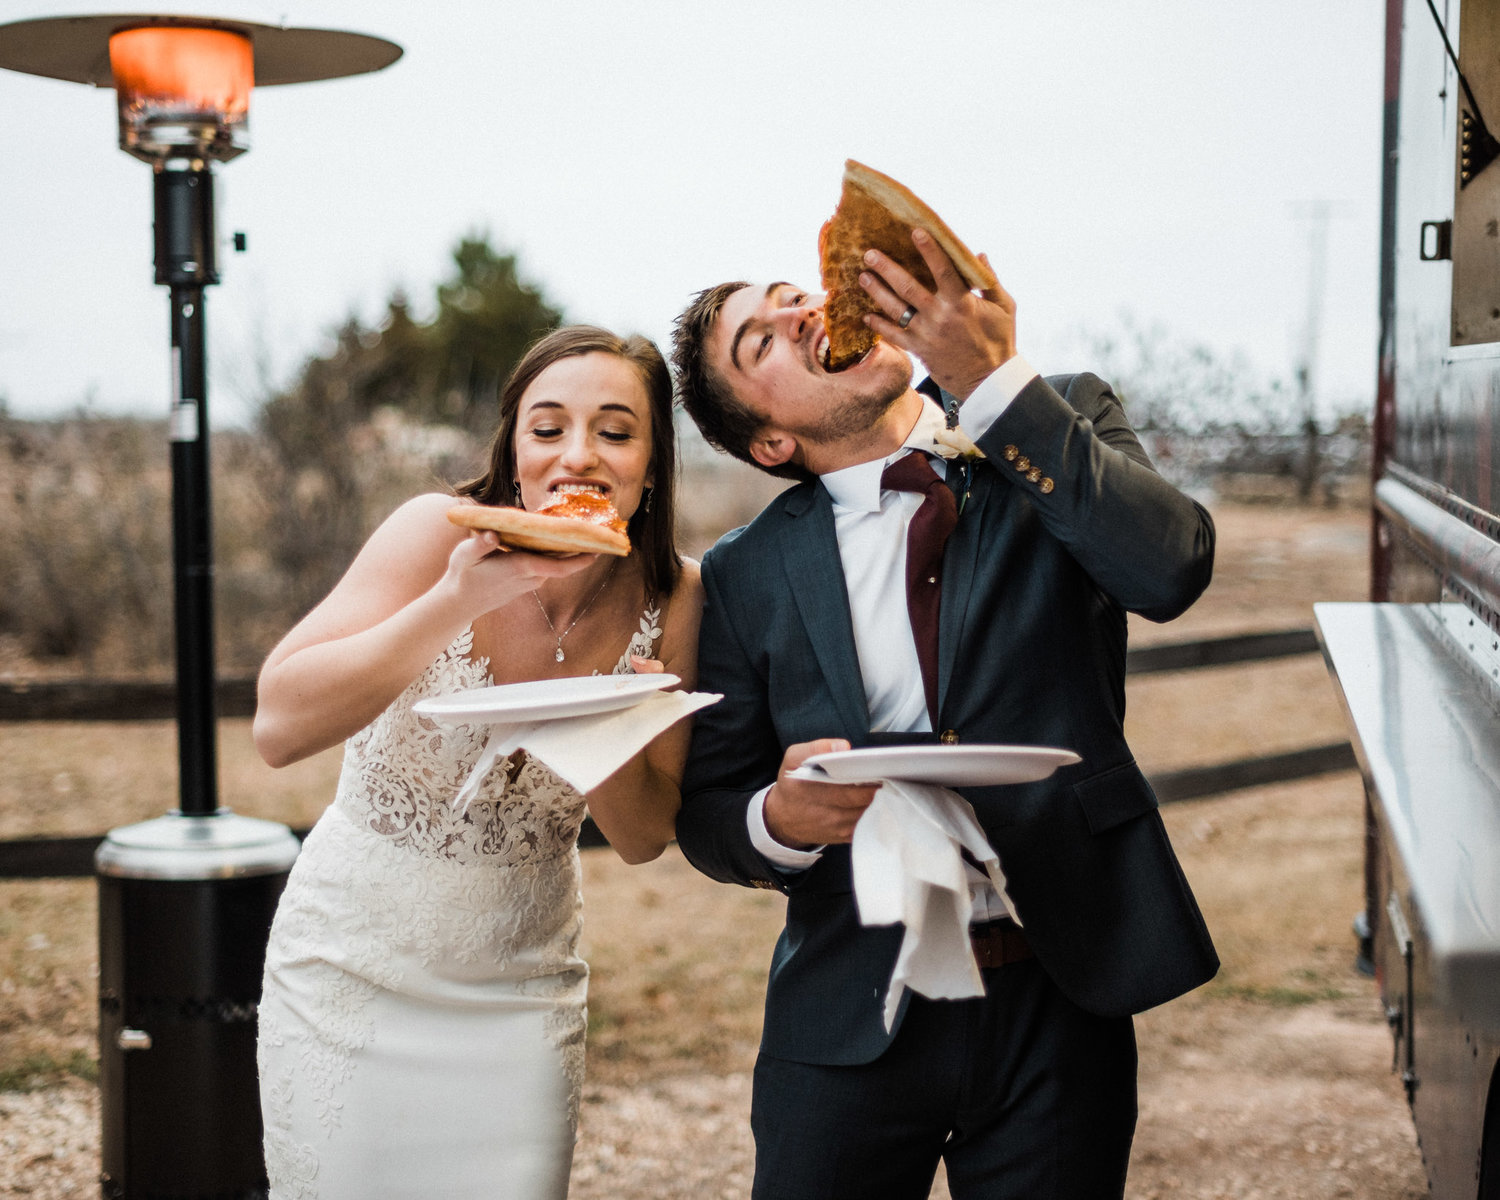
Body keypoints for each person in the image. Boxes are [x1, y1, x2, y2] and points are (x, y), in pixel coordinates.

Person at [669, 229, 1219, 1198]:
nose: (801, 314)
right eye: (760, 341)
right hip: (845, 1011)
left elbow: (1168, 570)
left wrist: (993, 380)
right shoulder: (743, 574)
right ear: (769, 440)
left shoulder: (1057, 420)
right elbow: (714, 808)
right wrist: (778, 821)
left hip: (1060, 991)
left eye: (799, 296)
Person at [252, 325, 703, 1200]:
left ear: (652, 467)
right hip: (348, 970)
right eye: (548, 428)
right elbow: (278, 725)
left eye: (615, 431)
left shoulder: (674, 593)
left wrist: (608, 725)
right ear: (514, 452)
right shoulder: (435, 533)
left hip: (520, 991)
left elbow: (646, 838)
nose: (579, 456)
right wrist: (463, 596)